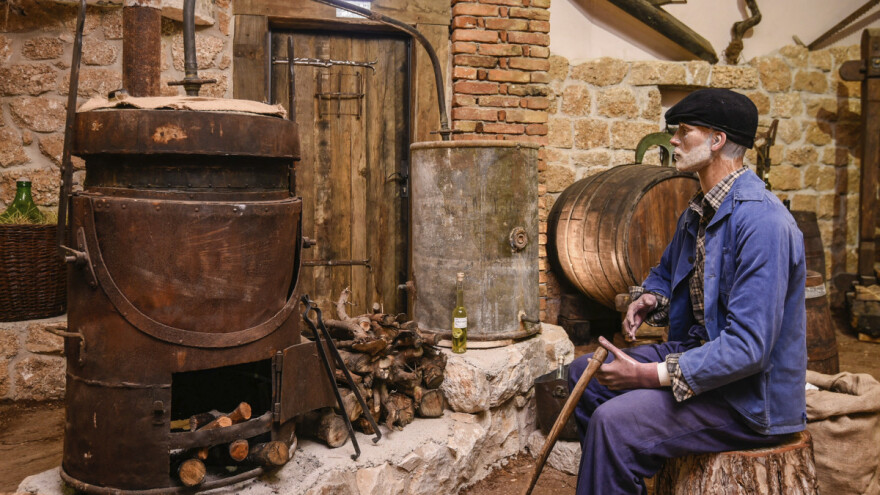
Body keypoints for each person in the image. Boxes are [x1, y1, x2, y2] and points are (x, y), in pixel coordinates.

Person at [567, 88, 807, 495]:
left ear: (716, 142)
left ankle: (620, 453)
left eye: (684, 131)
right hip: (701, 354)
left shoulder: (763, 223)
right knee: (583, 376)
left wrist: (649, 376)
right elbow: (666, 271)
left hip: (747, 399)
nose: (673, 140)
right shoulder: (699, 210)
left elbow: (749, 348)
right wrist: (651, 297)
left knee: (615, 423)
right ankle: (617, 478)